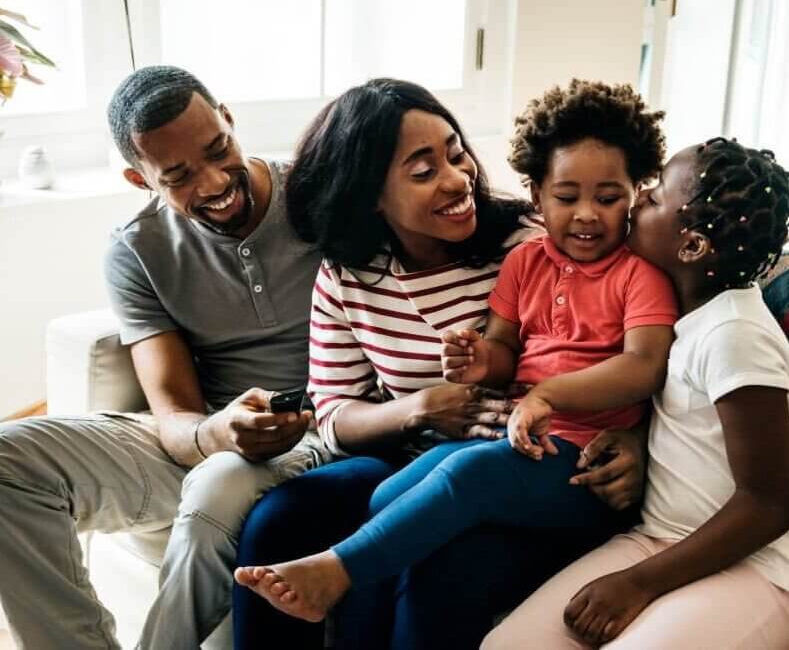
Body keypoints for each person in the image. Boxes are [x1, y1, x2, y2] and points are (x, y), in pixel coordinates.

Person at [234, 80, 677, 636]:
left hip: (537, 452)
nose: (457, 178)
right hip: (435, 450)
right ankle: (340, 592)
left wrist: (636, 440)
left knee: (447, 527)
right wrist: (426, 402)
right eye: (423, 172)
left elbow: (648, 364)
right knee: (310, 513)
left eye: (456, 152)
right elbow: (336, 413)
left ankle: (337, 572)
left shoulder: (533, 238)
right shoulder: (350, 273)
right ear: (371, 192)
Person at [0, 65, 333, 650]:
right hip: (204, 436)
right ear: (139, 177)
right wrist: (216, 431)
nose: (212, 183)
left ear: (229, 119)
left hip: (323, 431)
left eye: (218, 149)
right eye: (178, 175)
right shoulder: (137, 249)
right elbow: (175, 420)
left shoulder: (317, 198)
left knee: (221, 482)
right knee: (6, 463)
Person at [483, 138, 789, 649]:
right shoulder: (682, 316)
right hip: (660, 539)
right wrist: (636, 436)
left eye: (657, 194)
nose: (640, 197)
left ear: (690, 247)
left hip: (762, 570)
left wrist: (637, 583)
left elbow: (769, 505)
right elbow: (694, 424)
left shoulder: (735, 334)